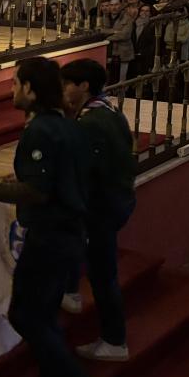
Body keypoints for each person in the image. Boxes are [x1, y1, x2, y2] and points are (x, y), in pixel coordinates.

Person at [0, 58, 101, 377]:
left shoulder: (40, 131)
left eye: (15, 83)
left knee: (25, 315)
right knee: (44, 314)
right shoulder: (69, 125)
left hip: (49, 237)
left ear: (30, 89)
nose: (11, 90)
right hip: (71, 233)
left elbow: (38, 192)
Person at [60, 60, 136, 358]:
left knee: (103, 276)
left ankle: (115, 341)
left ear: (84, 86)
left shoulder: (91, 122)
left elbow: (85, 171)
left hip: (102, 208)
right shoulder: (110, 111)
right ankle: (70, 292)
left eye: (67, 84)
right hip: (117, 200)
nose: (63, 90)